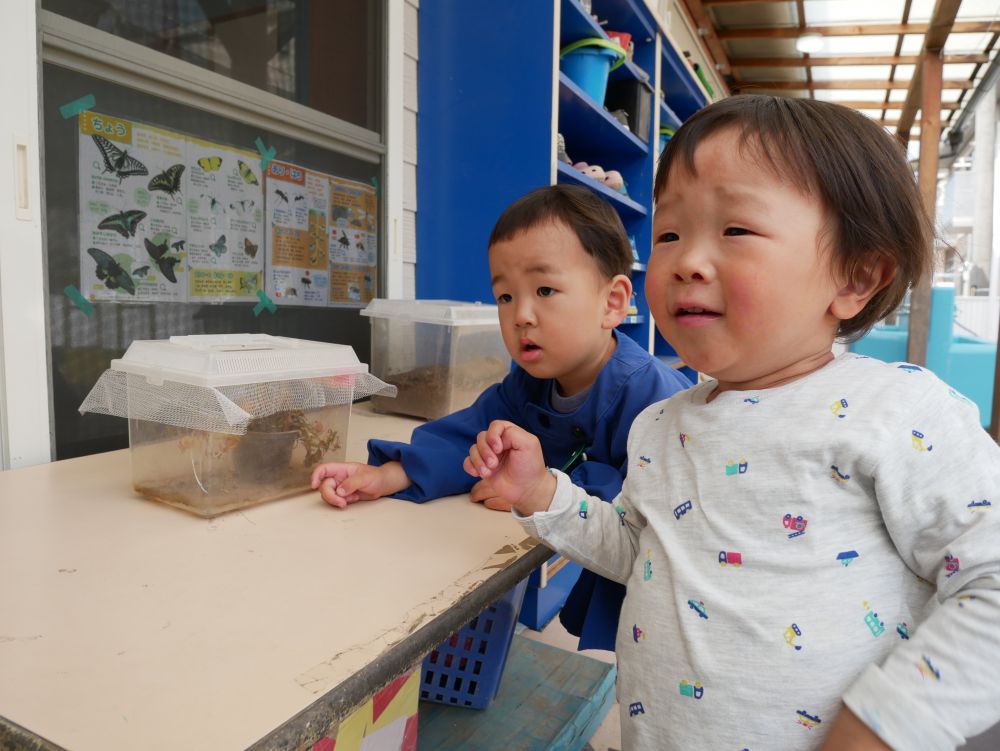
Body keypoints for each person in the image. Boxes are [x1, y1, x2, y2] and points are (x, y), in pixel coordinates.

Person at [464, 96, 1000, 750]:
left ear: (857, 276)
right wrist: (542, 493)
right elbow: (642, 551)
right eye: (668, 234)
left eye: (736, 229)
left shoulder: (896, 412)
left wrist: (887, 721)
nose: (687, 260)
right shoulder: (661, 424)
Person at [311, 183, 692, 651]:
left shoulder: (653, 396)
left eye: (545, 290)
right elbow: (470, 432)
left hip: (668, 612)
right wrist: (389, 474)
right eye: (505, 297)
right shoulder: (528, 383)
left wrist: (539, 486)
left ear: (612, 303)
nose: (521, 316)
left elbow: (650, 512)